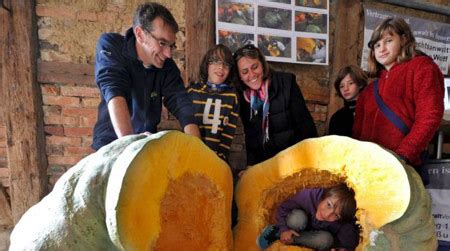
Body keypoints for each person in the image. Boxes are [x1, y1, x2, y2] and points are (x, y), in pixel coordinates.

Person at [91, 2, 200, 150]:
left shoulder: (168, 67)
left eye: (171, 46)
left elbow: (181, 103)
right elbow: (114, 89)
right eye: (162, 43)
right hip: (110, 145)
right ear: (140, 35)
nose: (168, 54)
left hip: (146, 147)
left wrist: (197, 150)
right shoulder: (112, 45)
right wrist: (130, 147)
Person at [353, 17, 444, 171]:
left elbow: (430, 116)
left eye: (388, 41)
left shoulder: (422, 67)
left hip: (402, 165)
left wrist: (403, 156)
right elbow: (357, 133)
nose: (381, 49)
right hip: (368, 168)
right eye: (377, 45)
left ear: (403, 39)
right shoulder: (369, 91)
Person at [233, 44, 317, 166]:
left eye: (254, 67)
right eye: (245, 72)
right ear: (239, 76)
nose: (251, 75)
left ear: (262, 64)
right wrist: (251, 166)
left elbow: (305, 126)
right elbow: (252, 137)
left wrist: (309, 163)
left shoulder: (286, 83)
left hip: (296, 160)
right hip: (268, 165)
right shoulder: (244, 97)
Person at [256, 184, 359, 250]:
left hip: (311, 235)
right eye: (329, 205)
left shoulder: (344, 222)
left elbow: (349, 242)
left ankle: (290, 241)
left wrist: (343, 248)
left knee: (327, 240)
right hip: (296, 224)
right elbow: (284, 208)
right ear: (324, 196)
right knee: (297, 219)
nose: (327, 214)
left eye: (336, 215)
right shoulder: (308, 196)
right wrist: (283, 229)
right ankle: (277, 231)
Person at [187, 44, 239, 161]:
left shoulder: (232, 97)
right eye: (215, 61)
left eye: (226, 64)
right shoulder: (191, 92)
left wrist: (220, 159)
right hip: (191, 157)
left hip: (217, 160)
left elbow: (228, 135)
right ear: (207, 65)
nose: (221, 67)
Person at [328, 65, 368, 137]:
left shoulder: (371, 112)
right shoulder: (336, 118)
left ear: (360, 84)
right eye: (341, 86)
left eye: (350, 83)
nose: (345, 89)